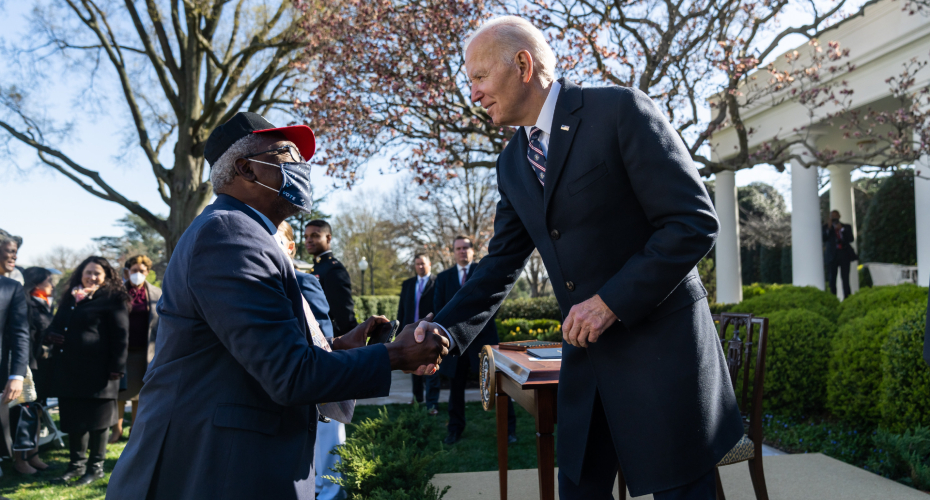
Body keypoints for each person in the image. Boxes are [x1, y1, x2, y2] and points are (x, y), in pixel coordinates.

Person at [420, 17, 744, 499]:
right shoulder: (511, 162)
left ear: (523, 65)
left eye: (479, 77)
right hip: (588, 369)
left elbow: (693, 222)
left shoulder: (620, 110)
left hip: (663, 361)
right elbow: (501, 263)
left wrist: (609, 302)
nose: (474, 93)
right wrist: (444, 330)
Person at [106, 112, 448, 500]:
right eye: (287, 153)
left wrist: (335, 349)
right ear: (245, 168)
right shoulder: (229, 234)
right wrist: (396, 354)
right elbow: (289, 374)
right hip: (213, 470)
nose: (301, 167)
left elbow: (255, 355)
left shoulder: (246, 232)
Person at [275, 220, 344, 500]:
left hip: (313, 379)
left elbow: (322, 336)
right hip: (280, 386)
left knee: (325, 454)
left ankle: (330, 494)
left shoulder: (304, 281)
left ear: (290, 248)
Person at [45, 256, 129, 486]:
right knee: (73, 420)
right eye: (88, 272)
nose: (91, 277)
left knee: (98, 422)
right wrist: (51, 335)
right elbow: (55, 324)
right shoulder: (71, 297)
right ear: (80, 273)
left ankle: (96, 468)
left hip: (101, 372)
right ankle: (75, 466)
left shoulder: (114, 298)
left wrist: (117, 368)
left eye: (97, 273)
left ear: (106, 277)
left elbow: (121, 336)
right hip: (70, 370)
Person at [434, 236, 515, 444]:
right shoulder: (443, 278)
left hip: (484, 338)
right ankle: (454, 430)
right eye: (458, 248)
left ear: (472, 250)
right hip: (454, 343)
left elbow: (495, 302)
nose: (462, 251)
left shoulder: (484, 272)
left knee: (498, 385)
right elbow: (439, 309)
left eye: (466, 248)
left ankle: (509, 430)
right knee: (456, 388)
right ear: (453, 252)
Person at [110, 255, 161, 443]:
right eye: (134, 271)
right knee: (120, 394)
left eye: (141, 271)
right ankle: (117, 430)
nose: (137, 274)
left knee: (140, 394)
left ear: (148, 272)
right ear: (127, 272)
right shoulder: (118, 293)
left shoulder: (157, 293)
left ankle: (135, 430)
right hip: (123, 353)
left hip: (146, 352)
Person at [11, 267, 56, 474]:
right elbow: (25, 336)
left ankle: (33, 454)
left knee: (37, 411)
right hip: (29, 366)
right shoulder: (26, 302)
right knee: (24, 413)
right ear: (36, 283)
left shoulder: (46, 303)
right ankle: (20, 460)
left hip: (45, 367)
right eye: (48, 281)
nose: (52, 285)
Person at [0, 235, 29, 477]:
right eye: (9, 250)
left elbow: (21, 335)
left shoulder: (12, 288)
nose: (14, 255)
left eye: (16, 251)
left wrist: (17, 374)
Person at [397, 253, 440, 414]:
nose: (420, 266)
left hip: (430, 331)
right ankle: (417, 399)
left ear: (429, 264)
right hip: (410, 332)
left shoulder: (437, 282)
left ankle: (432, 405)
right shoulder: (408, 284)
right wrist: (399, 331)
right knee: (413, 365)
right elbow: (401, 309)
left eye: (423, 263)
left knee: (431, 367)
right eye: (417, 264)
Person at [304, 220, 358, 336]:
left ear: (328, 238)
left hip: (329, 338)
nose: (308, 240)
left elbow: (343, 314)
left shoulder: (333, 270)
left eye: (315, 236)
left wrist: (351, 339)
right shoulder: (316, 268)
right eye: (306, 236)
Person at [823, 209, 857, 298]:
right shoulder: (826, 227)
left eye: (835, 216)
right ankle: (833, 298)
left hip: (844, 255)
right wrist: (829, 227)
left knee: (845, 279)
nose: (834, 218)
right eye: (832, 217)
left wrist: (841, 229)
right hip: (832, 256)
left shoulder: (846, 227)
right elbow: (824, 238)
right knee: (832, 279)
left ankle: (847, 298)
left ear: (839, 216)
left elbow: (851, 239)